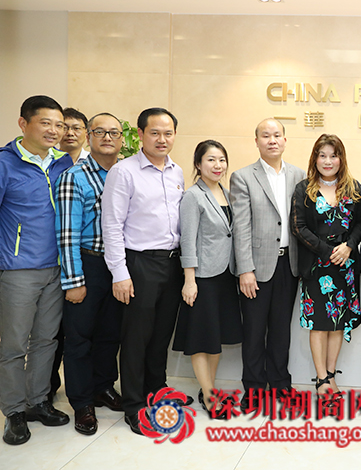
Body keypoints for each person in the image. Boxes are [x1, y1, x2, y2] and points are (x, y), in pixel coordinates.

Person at [101, 107, 192, 436]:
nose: (161, 139)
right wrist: (119, 273)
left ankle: (157, 390)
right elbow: (111, 225)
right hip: (139, 264)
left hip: (171, 262)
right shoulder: (124, 172)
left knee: (161, 335)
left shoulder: (177, 172)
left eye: (168, 133)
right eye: (155, 133)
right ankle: (134, 405)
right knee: (136, 338)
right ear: (140, 134)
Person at [0, 95, 72, 445]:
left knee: (46, 341)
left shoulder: (62, 162)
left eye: (59, 125)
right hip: (18, 270)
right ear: (23, 123)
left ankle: (37, 402)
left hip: (57, 267)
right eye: (46, 123)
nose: (54, 131)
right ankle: (14, 411)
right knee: (14, 344)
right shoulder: (5, 163)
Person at [55, 113, 126, 436]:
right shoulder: (75, 176)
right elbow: (66, 234)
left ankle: (103, 387)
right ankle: (82, 402)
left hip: (118, 265)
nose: (107, 137)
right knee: (79, 337)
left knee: (111, 333)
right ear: (89, 136)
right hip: (88, 262)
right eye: (100, 132)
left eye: (114, 132)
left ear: (122, 138)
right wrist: (74, 281)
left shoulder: (125, 173)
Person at [230, 118, 305, 397]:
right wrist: (245, 269)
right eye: (265, 135)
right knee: (253, 331)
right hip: (256, 267)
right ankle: (253, 389)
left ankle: (281, 384)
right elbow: (241, 227)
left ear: (285, 140)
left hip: (289, 264)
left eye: (276, 135)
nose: (272, 140)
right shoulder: (243, 177)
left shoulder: (299, 175)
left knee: (281, 331)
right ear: (257, 141)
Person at [291, 134, 361, 401]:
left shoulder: (354, 188)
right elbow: (298, 227)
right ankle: (321, 379)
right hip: (316, 266)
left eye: (333, 155)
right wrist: (327, 251)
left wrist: (348, 247)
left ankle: (331, 375)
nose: (328, 161)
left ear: (341, 158)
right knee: (318, 324)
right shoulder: (304, 189)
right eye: (322, 155)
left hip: (345, 265)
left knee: (337, 322)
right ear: (315, 159)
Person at [173, 140, 243, 415]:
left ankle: (208, 390)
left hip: (225, 275)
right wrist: (189, 280)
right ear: (198, 164)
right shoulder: (193, 196)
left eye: (222, 160)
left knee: (216, 338)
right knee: (201, 339)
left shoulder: (227, 193)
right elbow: (187, 241)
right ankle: (211, 397)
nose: (218, 165)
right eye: (211, 160)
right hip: (202, 277)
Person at [49, 107, 90, 403]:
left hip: (83, 260)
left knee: (80, 330)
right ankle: (46, 388)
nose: (70, 133)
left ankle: (90, 388)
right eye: (65, 127)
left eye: (77, 128)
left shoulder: (98, 165)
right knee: (52, 332)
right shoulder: (48, 164)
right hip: (50, 259)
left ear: (86, 133)